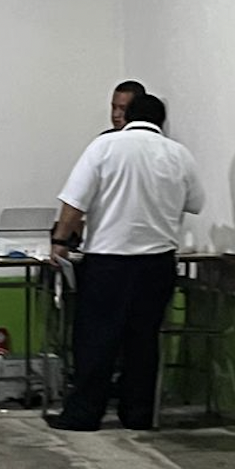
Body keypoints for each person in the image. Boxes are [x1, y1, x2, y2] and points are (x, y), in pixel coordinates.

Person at [45, 93, 205, 432]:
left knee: (96, 339)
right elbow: (195, 203)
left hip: (109, 262)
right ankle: (138, 414)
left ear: (128, 115)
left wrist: (60, 241)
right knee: (143, 340)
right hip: (158, 262)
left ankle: (84, 414)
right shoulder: (179, 154)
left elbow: (74, 203)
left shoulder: (104, 147)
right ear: (160, 121)